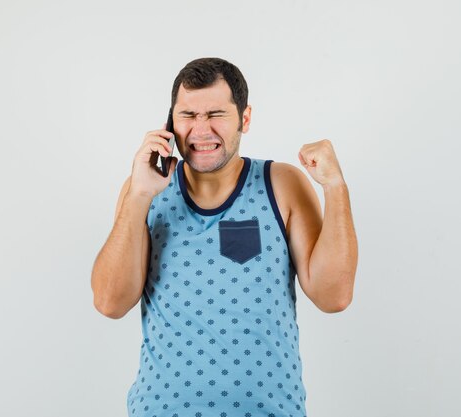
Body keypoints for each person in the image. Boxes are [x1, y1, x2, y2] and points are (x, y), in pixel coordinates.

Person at [91, 57, 358, 417]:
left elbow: (333, 296)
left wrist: (335, 186)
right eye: (188, 115)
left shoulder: (282, 184)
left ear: (244, 119)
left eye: (216, 113)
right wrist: (139, 194)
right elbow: (110, 302)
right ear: (170, 121)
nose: (201, 131)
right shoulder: (144, 190)